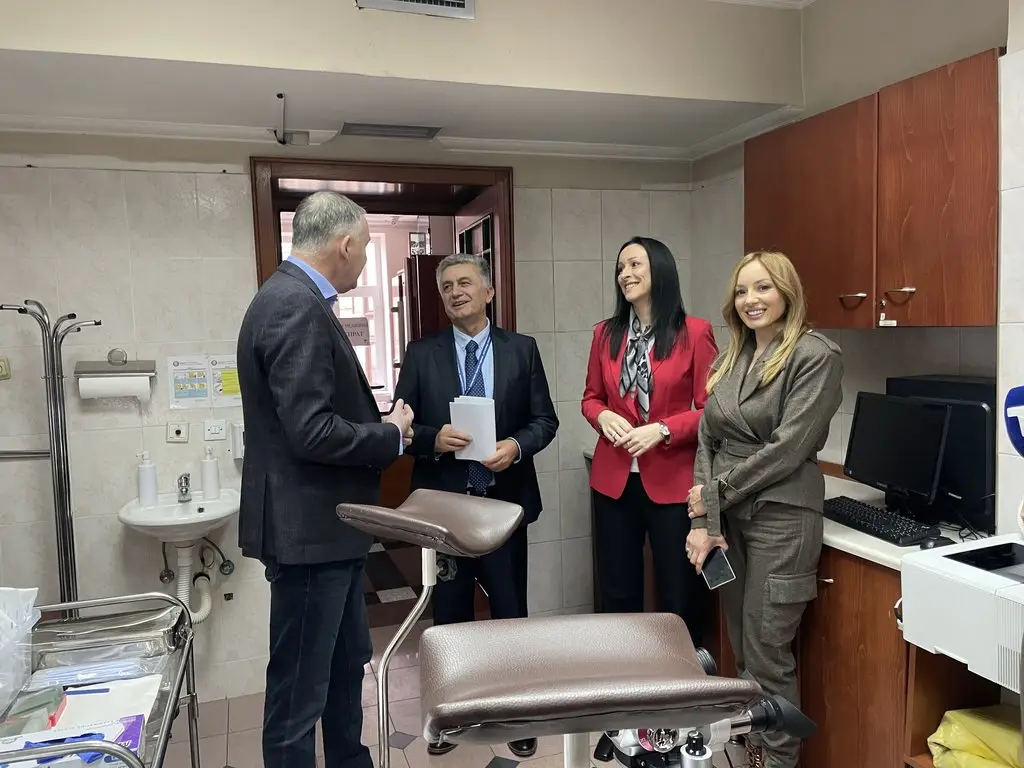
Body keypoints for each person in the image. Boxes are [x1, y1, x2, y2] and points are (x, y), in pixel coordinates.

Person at [236, 191, 415, 768]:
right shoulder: (294, 305)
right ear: (344, 244)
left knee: (343, 667)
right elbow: (310, 431)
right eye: (362, 248)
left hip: (328, 533)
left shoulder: (290, 297)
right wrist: (389, 435)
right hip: (310, 534)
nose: (362, 260)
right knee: (298, 693)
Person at [393, 252, 558, 758]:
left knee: (510, 613)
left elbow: (545, 421)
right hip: (445, 512)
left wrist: (517, 446)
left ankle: (517, 715)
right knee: (450, 618)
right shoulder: (422, 354)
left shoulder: (521, 350)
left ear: (489, 292)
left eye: (464, 283)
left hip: (503, 507)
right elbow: (401, 426)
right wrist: (431, 439)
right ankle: (450, 717)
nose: (455, 292)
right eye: (446, 286)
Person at [685, 250, 843, 768]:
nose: (750, 300)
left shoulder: (815, 355)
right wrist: (703, 521)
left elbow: (788, 448)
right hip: (727, 519)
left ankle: (776, 760)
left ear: (787, 292)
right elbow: (707, 441)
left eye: (763, 287)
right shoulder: (729, 357)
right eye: (741, 291)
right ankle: (755, 746)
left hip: (782, 518)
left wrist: (715, 495)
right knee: (742, 646)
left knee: (768, 653)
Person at [581, 236, 718, 645]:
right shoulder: (605, 334)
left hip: (674, 485)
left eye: (635, 264)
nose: (625, 274)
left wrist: (663, 430)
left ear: (660, 269)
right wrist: (603, 416)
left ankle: (681, 670)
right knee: (617, 589)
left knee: (678, 590)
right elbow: (591, 398)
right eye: (621, 268)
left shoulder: (695, 332)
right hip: (613, 482)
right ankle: (625, 668)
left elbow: (711, 410)